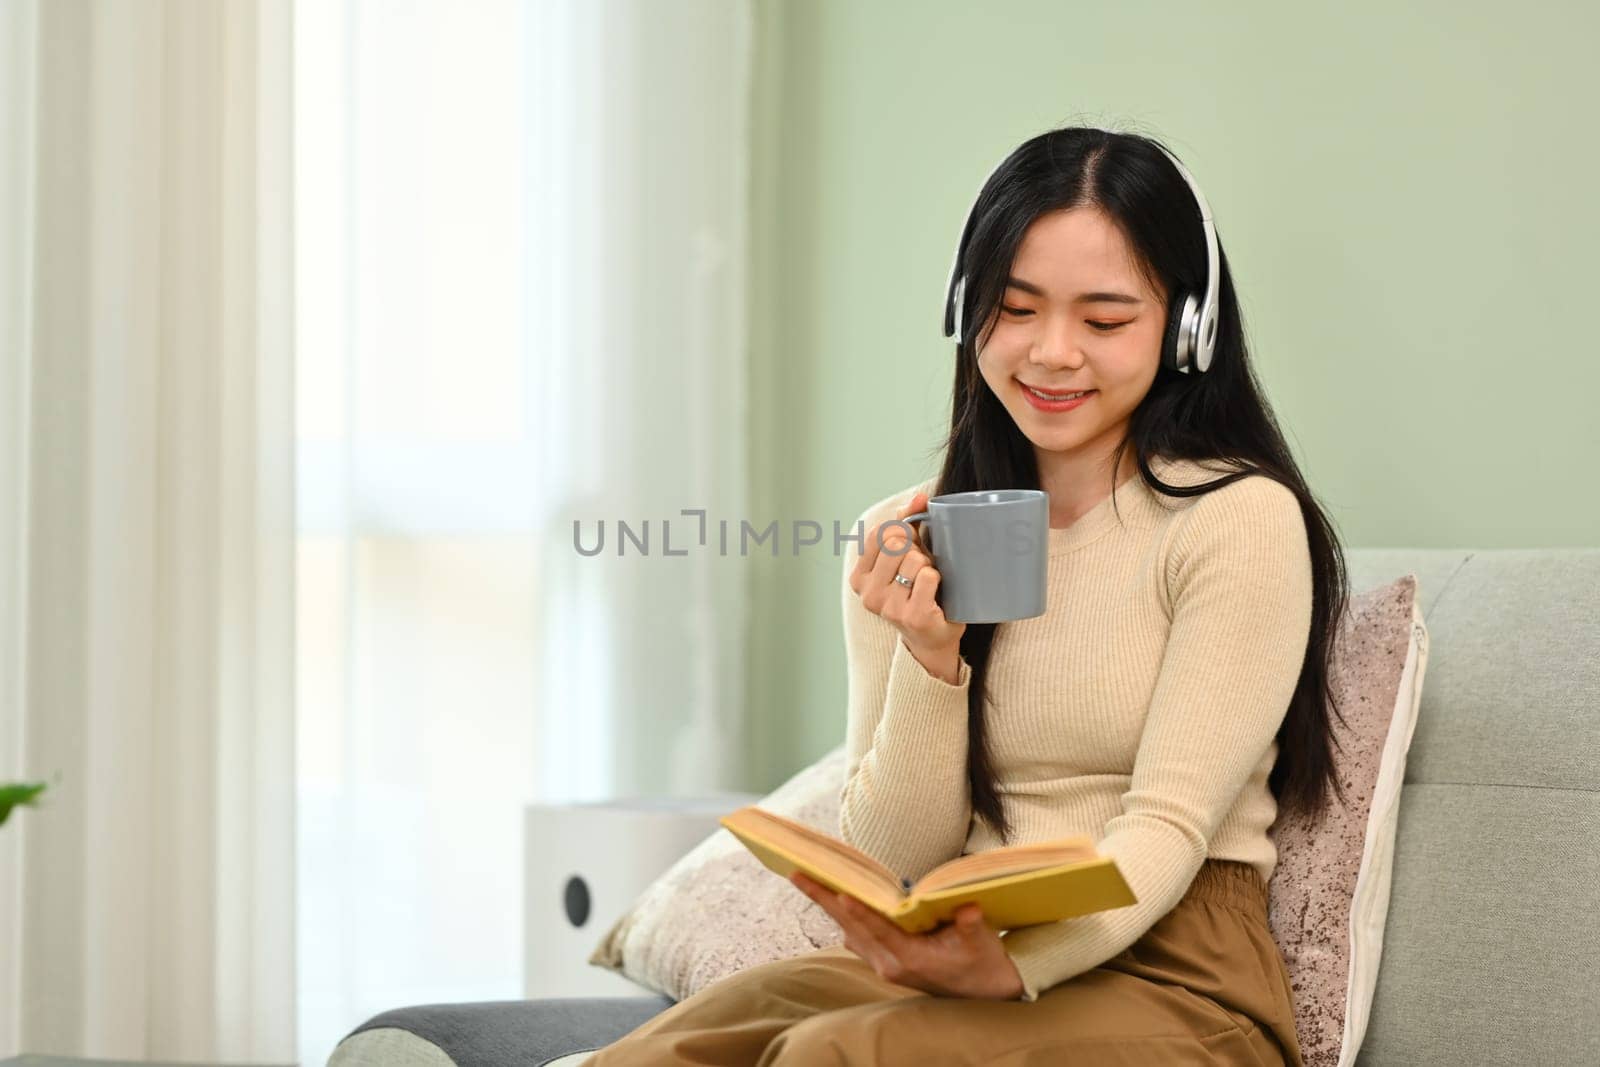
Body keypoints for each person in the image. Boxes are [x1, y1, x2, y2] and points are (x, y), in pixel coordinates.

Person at [582, 124, 1349, 1066]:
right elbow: (897, 849)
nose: (1052, 352)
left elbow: (1168, 827)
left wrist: (1018, 970)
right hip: (969, 950)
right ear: (965, 308)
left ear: (1186, 329)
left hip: (1175, 980)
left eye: (1105, 321)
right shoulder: (903, 536)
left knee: (838, 1050)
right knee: (681, 1044)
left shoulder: (1234, 518)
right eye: (1015, 308)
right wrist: (928, 655)